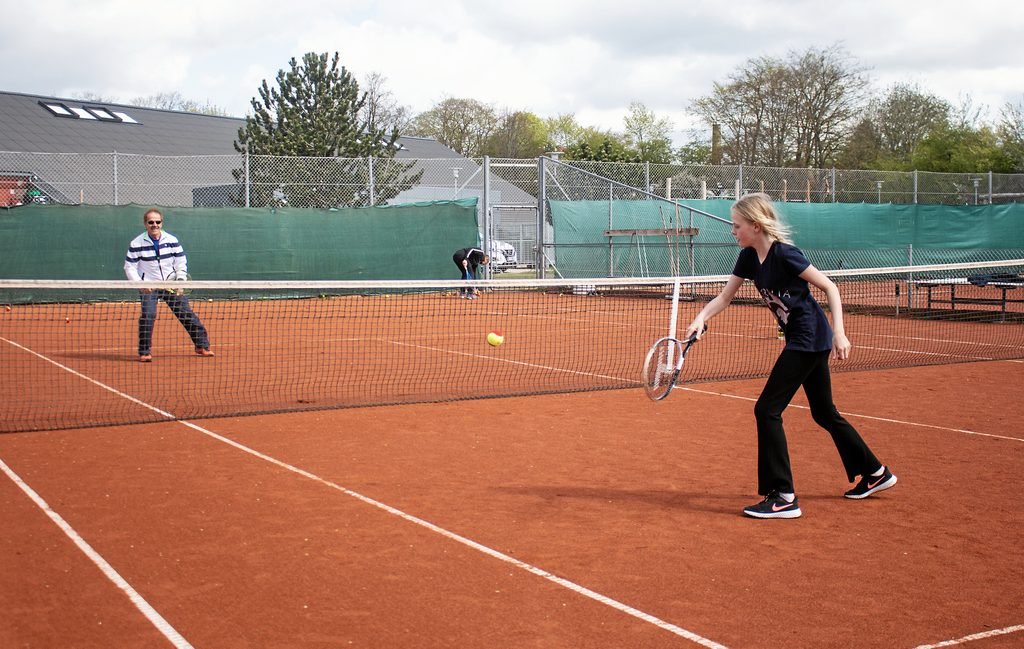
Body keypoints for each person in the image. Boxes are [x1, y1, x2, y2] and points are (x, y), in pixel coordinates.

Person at [685, 193, 896, 519]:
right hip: (802, 340)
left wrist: (839, 331)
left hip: (808, 339)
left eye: (737, 225)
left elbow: (831, 288)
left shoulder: (785, 255)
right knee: (824, 413)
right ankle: (875, 472)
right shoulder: (748, 257)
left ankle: (782, 496)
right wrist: (702, 317)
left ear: (756, 226)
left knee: (767, 410)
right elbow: (725, 297)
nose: (733, 231)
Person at [124, 208, 213, 362]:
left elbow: (180, 262)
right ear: (145, 224)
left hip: (171, 285)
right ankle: (144, 352)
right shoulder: (136, 243)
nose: (154, 225)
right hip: (149, 286)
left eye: (157, 222)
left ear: (161, 223)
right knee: (148, 316)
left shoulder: (172, 240)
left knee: (186, 314)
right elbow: (129, 267)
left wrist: (179, 281)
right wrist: (140, 284)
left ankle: (202, 346)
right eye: (151, 222)